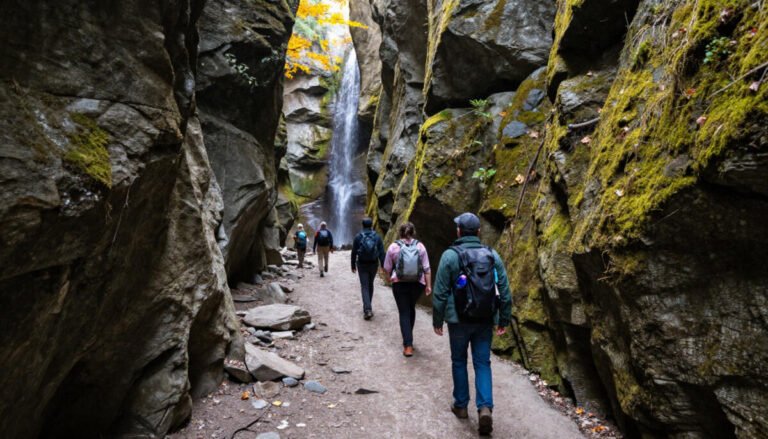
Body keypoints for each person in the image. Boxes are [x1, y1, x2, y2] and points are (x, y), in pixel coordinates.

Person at [432, 212, 512, 436]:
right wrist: (503, 318)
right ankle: (485, 407)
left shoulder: (450, 256)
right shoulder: (491, 255)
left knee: (459, 361)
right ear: (478, 232)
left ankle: (460, 406)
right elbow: (504, 291)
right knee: (482, 363)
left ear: (459, 232)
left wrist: (438, 319)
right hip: (485, 319)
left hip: (458, 320)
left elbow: (439, 293)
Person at [383, 222, 432, 357]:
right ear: (413, 232)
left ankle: (408, 345)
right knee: (411, 308)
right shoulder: (420, 246)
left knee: (404, 311)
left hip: (399, 283)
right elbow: (427, 268)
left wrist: (389, 278)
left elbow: (387, 267)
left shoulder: (394, 247)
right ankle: (408, 337)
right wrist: (428, 285)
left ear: (400, 232)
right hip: (417, 283)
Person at [351, 218, 385, 320]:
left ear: (362, 225)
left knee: (364, 286)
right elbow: (381, 252)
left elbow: (354, 252)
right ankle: (368, 306)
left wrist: (352, 265)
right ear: (371, 225)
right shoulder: (377, 237)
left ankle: (367, 309)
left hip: (362, 264)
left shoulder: (358, 237)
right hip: (374, 264)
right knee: (370, 284)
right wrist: (383, 266)